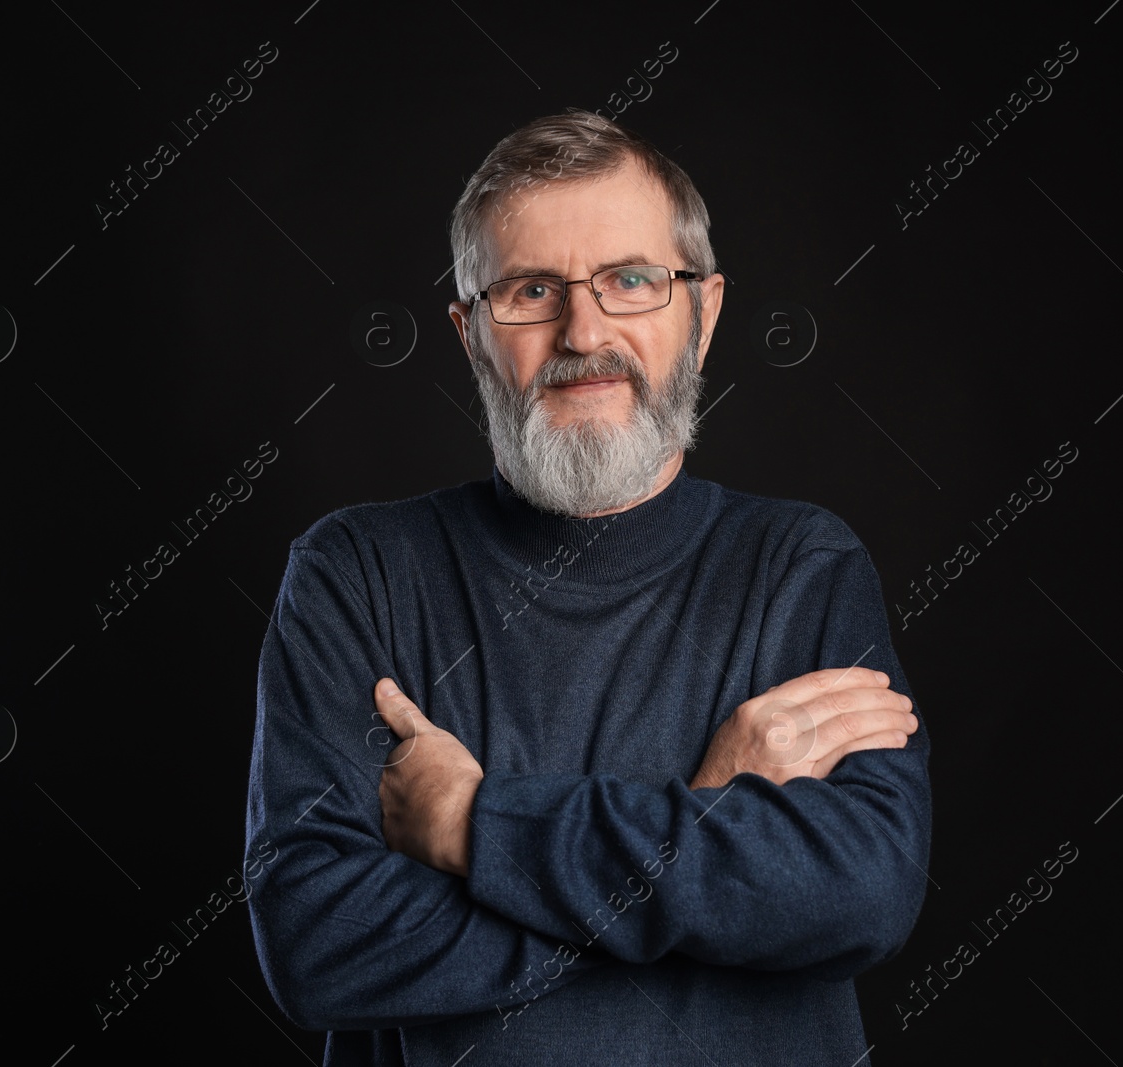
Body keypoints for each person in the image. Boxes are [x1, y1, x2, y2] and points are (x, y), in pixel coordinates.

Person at [245, 110, 931, 1066]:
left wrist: (473, 826)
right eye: (531, 290)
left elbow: (858, 895)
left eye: (632, 281)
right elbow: (320, 946)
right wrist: (708, 813)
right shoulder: (358, 572)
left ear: (705, 312)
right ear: (471, 332)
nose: (584, 329)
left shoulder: (802, 567)